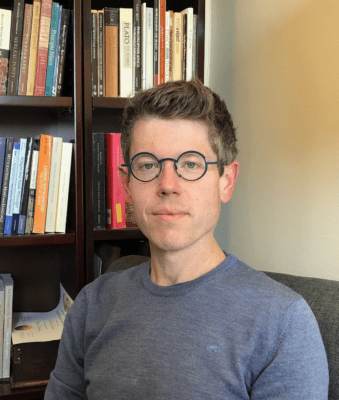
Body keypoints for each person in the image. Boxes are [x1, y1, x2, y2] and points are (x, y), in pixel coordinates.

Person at [45, 78, 329, 399]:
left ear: (226, 181)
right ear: (127, 186)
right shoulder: (91, 305)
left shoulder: (283, 323)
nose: (168, 184)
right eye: (148, 165)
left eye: (190, 164)